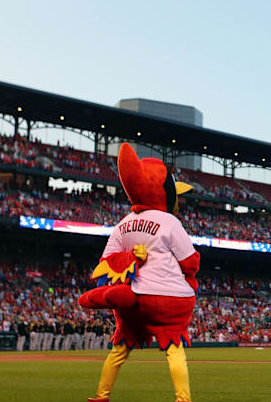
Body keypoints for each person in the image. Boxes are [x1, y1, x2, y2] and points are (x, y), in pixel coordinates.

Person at [78, 143, 200, 402]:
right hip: (170, 298)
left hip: (134, 298)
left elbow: (106, 262)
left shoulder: (123, 223)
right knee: (174, 351)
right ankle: (183, 399)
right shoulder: (170, 221)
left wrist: (131, 257)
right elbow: (190, 261)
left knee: (119, 351)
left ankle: (101, 395)